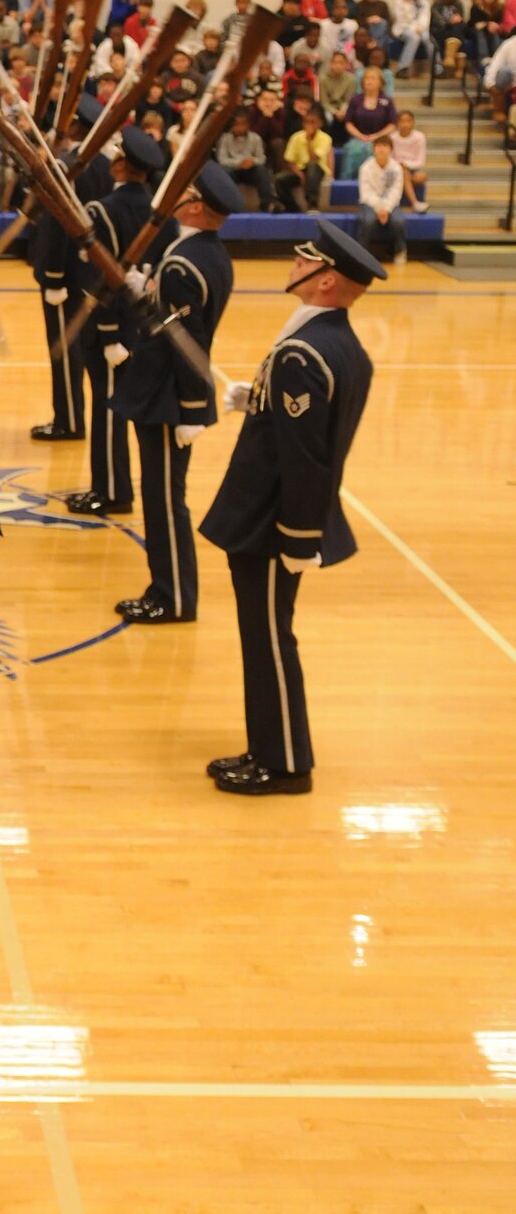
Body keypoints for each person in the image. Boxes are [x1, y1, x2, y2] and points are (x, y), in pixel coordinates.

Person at [200, 223, 380, 795]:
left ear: (325, 279)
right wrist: (255, 401)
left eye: (304, 259)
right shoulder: (340, 344)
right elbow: (309, 426)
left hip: (273, 524)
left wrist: (301, 536)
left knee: (269, 640)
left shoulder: (304, 352)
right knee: (268, 636)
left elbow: (308, 457)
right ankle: (272, 749)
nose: (292, 263)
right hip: (279, 518)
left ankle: (280, 764)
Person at [112, 163, 241, 624]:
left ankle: (173, 597)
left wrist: (190, 410)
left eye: (186, 193)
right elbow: (174, 318)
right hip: (164, 393)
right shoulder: (201, 252)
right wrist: (144, 292)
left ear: (197, 206)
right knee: (162, 496)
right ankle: (165, 589)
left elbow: (189, 341)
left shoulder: (186, 263)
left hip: (168, 400)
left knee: (166, 501)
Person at [65, 126, 170, 519]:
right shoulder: (161, 213)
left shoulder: (102, 210)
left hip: (114, 328)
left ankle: (111, 490)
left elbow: (101, 277)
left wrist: (109, 332)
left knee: (108, 409)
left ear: (122, 164)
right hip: (145, 326)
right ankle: (112, 484)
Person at [357, 134, 407, 264]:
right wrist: (379, 208)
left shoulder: (396, 168)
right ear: (373, 149)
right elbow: (366, 192)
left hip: (391, 204)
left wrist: (387, 208)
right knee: (368, 221)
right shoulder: (365, 168)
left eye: (385, 146)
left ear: (391, 149)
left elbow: (396, 192)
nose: (381, 149)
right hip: (370, 203)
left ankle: (399, 250)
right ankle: (361, 253)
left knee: (398, 221)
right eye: (378, 146)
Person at [276, 103, 333, 213]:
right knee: (279, 179)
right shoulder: (296, 137)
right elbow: (290, 160)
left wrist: (308, 141)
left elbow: (314, 158)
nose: (309, 125)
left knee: (312, 167)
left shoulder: (325, 138)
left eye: (312, 122)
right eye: (306, 122)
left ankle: (312, 205)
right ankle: (292, 208)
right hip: (300, 169)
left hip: (318, 169)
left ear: (320, 123)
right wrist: (300, 175)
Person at [216, 107, 275, 211]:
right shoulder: (225, 139)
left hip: (251, 170)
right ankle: (227, 206)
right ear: (232, 126)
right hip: (234, 169)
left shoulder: (255, 138)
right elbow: (222, 159)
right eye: (237, 125)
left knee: (262, 170)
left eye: (242, 125)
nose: (239, 128)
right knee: (225, 172)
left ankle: (266, 205)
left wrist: (252, 161)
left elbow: (261, 158)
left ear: (247, 126)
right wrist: (239, 163)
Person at [391, 107, 428, 211]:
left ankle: (407, 184)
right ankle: (415, 203)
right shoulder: (392, 138)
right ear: (397, 123)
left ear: (413, 123)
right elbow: (390, 158)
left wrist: (406, 165)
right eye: (402, 121)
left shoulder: (420, 137)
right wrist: (400, 165)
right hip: (396, 169)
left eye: (408, 121)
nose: (405, 124)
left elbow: (420, 161)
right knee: (404, 172)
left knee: (422, 176)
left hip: (412, 169)